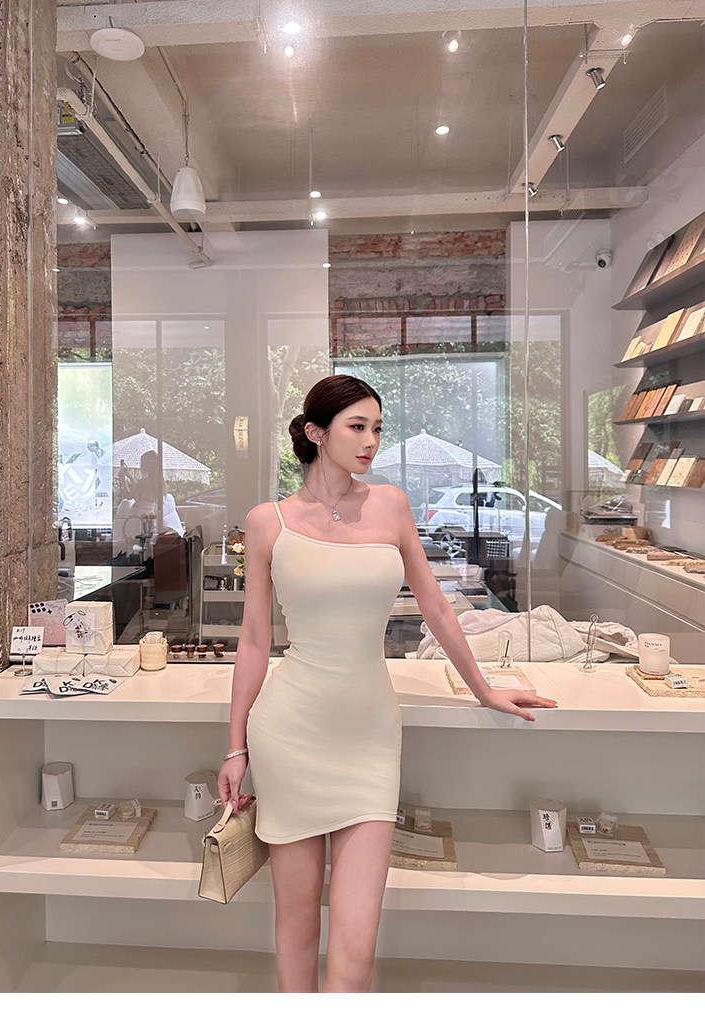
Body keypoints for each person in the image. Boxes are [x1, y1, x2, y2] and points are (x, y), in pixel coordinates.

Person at [218, 374, 557, 993]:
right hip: (289, 734)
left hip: (370, 738)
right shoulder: (268, 522)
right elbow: (254, 641)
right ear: (317, 433)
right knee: (296, 929)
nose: (372, 441)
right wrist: (235, 747)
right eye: (357, 427)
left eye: (377, 428)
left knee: (357, 952)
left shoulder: (392, 505)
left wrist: (485, 690)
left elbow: (438, 608)